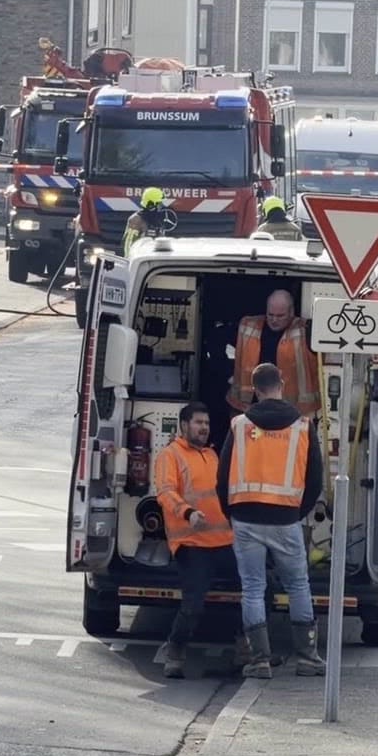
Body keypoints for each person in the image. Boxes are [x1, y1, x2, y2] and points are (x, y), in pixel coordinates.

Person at [217, 363, 325, 679]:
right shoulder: (303, 426)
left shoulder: (238, 425)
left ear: (254, 389)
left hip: (246, 518)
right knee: (297, 584)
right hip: (285, 519)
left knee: (252, 588)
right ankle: (307, 657)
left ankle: (260, 660)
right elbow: (315, 480)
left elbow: (222, 478)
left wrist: (232, 513)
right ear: (282, 383)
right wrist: (295, 511)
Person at [150, 402, 234, 679]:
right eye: (198, 423)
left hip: (223, 541)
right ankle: (175, 650)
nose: (203, 428)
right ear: (183, 425)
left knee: (262, 586)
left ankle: (249, 647)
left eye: (207, 424)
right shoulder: (170, 455)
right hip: (191, 544)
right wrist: (188, 512)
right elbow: (165, 492)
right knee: (193, 604)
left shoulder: (212, 456)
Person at [226, 289, 321, 418]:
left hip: (292, 411)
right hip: (250, 406)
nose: (274, 320)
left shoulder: (305, 331)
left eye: (280, 315)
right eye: (270, 315)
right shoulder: (248, 326)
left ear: (292, 312)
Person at [122, 187, 165, 255]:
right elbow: (128, 246)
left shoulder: (157, 219)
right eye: (159, 203)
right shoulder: (136, 220)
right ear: (151, 204)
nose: (162, 205)